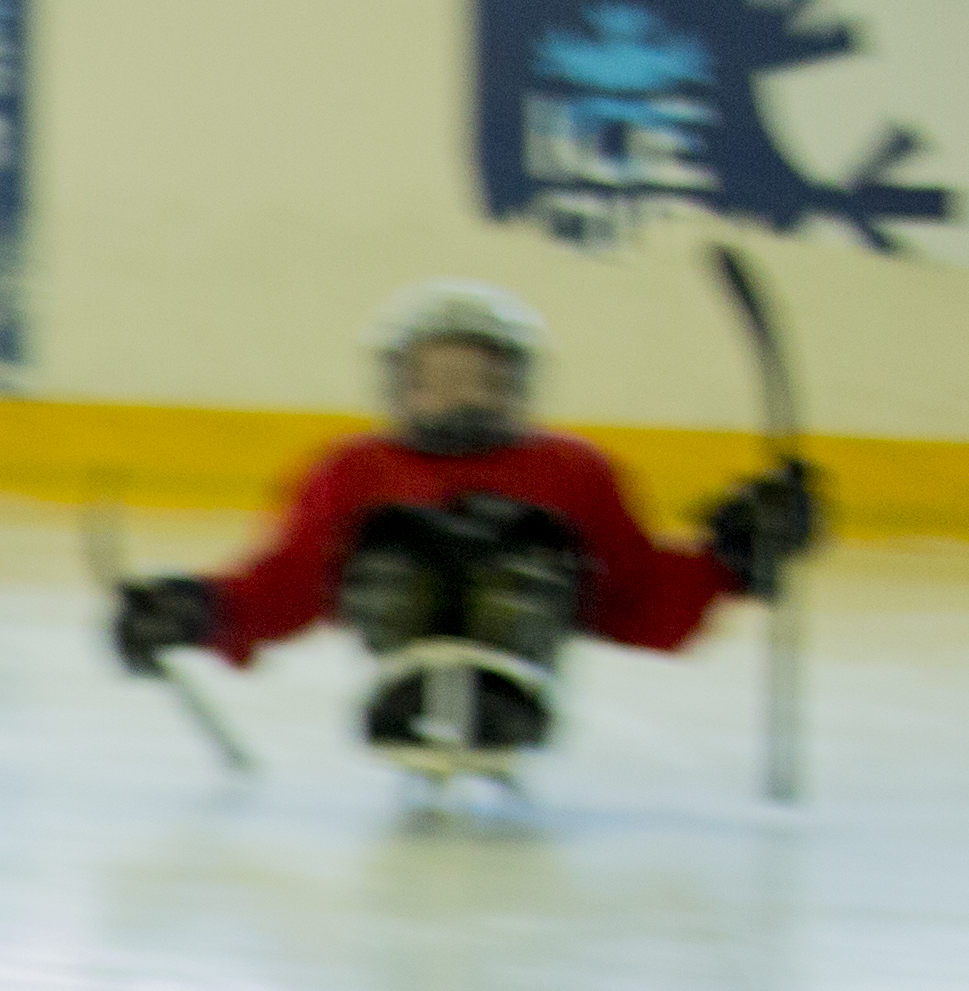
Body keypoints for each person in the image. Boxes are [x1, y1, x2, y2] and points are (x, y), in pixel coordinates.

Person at [111, 279, 818, 761]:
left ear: (515, 386)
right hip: (399, 665)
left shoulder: (570, 469)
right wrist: (195, 611)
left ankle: (501, 694)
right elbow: (291, 581)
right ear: (399, 385)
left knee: (522, 546)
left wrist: (734, 554)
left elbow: (630, 592)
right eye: (433, 380)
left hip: (521, 669)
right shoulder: (354, 469)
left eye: (480, 379)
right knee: (394, 549)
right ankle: (413, 689)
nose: (456, 399)